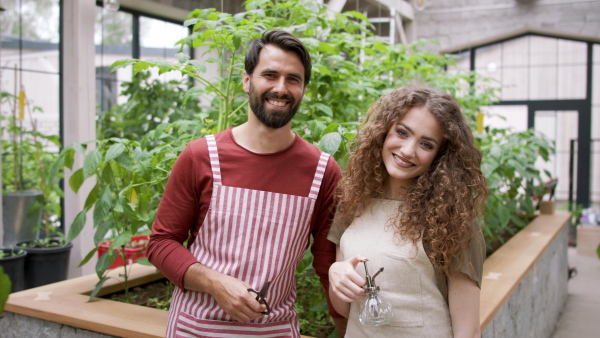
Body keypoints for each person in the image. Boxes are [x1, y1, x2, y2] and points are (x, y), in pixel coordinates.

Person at [147, 30, 345, 337]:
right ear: (246, 80)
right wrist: (215, 282)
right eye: (269, 75)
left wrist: (346, 328)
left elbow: (326, 264)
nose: (281, 88)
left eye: (293, 79)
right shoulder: (201, 156)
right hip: (194, 328)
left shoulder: (322, 171)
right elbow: (161, 244)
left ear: (304, 88)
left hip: (274, 330)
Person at [327, 86, 489, 337]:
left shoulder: (451, 219)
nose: (407, 150)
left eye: (426, 144)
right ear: (383, 132)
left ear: (440, 155)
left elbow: (468, 331)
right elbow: (348, 311)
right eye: (402, 133)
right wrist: (336, 275)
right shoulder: (353, 201)